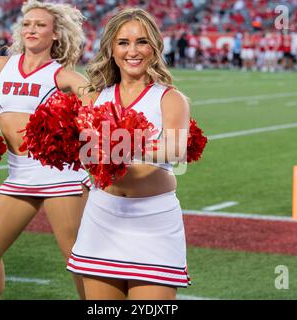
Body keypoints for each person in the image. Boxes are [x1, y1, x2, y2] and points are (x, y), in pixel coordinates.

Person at [0, 0, 91, 300]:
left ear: (55, 34)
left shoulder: (62, 75)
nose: (31, 29)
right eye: (27, 24)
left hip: (60, 176)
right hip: (19, 175)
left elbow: (98, 107)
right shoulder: (1, 66)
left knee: (78, 258)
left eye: (40, 25)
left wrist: (78, 129)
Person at [67, 8, 191, 300]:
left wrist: (120, 145)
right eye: (123, 42)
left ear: (154, 47)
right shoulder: (95, 97)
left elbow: (176, 149)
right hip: (102, 218)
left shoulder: (170, 98)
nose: (132, 51)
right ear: (111, 49)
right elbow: (87, 156)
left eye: (141, 42)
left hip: (153, 221)